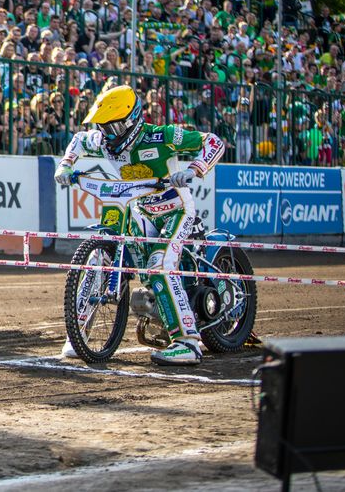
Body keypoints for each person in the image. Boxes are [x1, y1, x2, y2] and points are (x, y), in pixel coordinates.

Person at [54, 85, 225, 366]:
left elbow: (213, 142)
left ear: (132, 120)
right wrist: (66, 166)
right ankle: (79, 333)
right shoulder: (103, 139)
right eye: (103, 126)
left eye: (115, 126)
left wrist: (193, 169)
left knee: (159, 264)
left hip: (176, 210)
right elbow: (79, 140)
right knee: (109, 255)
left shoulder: (161, 136)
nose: (108, 133)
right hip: (140, 211)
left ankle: (188, 343)